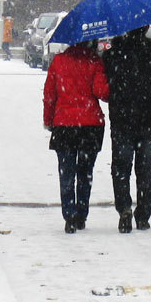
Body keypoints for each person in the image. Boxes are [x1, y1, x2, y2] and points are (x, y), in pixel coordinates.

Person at [102, 24, 151, 233]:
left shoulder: (112, 55)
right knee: (145, 169)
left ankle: (124, 209)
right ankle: (143, 214)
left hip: (121, 120)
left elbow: (103, 82)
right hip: (148, 120)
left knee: (121, 167)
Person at [43, 40, 110, 233]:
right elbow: (102, 92)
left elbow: (50, 94)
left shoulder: (58, 62)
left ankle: (69, 215)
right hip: (90, 125)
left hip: (64, 125)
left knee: (66, 172)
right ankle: (82, 214)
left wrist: (49, 120)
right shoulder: (95, 62)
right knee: (85, 172)